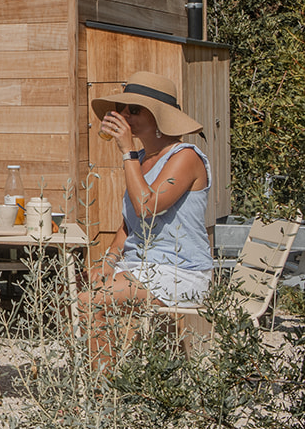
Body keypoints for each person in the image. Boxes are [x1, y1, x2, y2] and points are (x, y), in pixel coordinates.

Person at [79, 71, 213, 370]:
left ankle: (101, 391)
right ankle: (97, 377)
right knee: (68, 294)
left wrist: (127, 151)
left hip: (179, 271)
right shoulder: (141, 158)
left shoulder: (185, 157)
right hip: (140, 267)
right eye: (122, 109)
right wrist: (108, 261)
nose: (125, 116)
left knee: (90, 301)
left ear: (159, 116)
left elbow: (147, 208)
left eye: (135, 110)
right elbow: (129, 224)